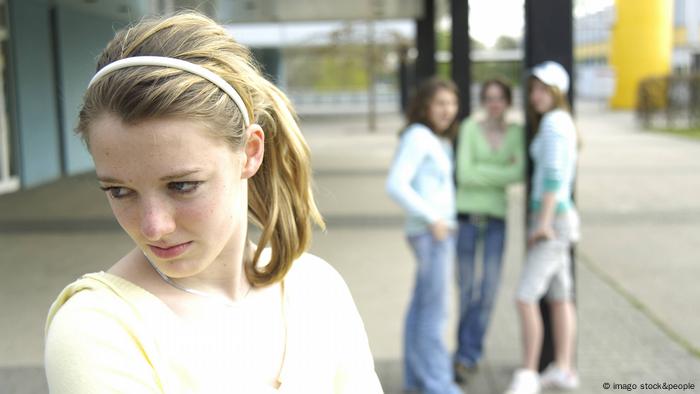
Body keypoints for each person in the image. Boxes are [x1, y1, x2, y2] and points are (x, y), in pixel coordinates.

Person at [43, 12, 383, 393]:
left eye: (182, 185)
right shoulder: (98, 328)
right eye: (119, 191)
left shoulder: (318, 289)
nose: (153, 226)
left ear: (250, 152)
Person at [505, 61, 580, 394]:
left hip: (552, 220)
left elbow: (552, 177)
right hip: (561, 218)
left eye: (542, 89)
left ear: (557, 91)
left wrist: (544, 223)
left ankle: (528, 373)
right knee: (560, 297)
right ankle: (563, 369)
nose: (535, 95)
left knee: (525, 297)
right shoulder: (562, 121)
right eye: (532, 88)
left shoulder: (553, 124)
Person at [386, 77, 462, 394]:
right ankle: (439, 384)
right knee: (435, 314)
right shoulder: (419, 137)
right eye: (440, 103)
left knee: (421, 309)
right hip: (433, 236)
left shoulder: (433, 138)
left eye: (452, 103)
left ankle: (417, 380)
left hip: (432, 234)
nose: (448, 110)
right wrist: (433, 219)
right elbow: (396, 184)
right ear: (425, 106)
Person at [453, 79, 524, 382]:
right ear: (483, 101)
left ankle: (468, 352)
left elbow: (519, 172)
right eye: (489, 98)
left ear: (508, 101)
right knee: (468, 291)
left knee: (490, 290)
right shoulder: (469, 127)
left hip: (496, 220)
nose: (494, 103)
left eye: (500, 98)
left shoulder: (517, 133)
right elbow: (463, 174)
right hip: (467, 218)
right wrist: (499, 174)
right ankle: (464, 355)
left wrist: (482, 172)